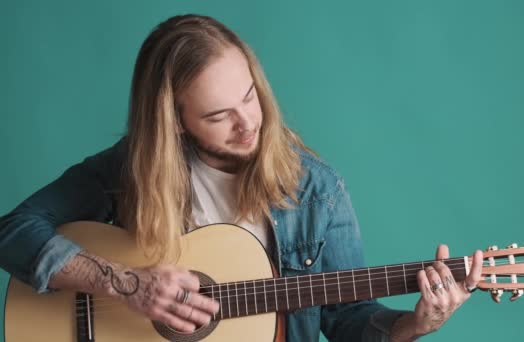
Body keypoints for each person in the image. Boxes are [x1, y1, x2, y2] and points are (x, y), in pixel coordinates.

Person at [0, 14, 482, 341]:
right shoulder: (128, 170)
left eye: (250, 96)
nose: (249, 123)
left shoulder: (316, 190)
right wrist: (126, 284)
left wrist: (412, 326)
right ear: (174, 119)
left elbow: (346, 318)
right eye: (219, 115)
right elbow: (13, 233)